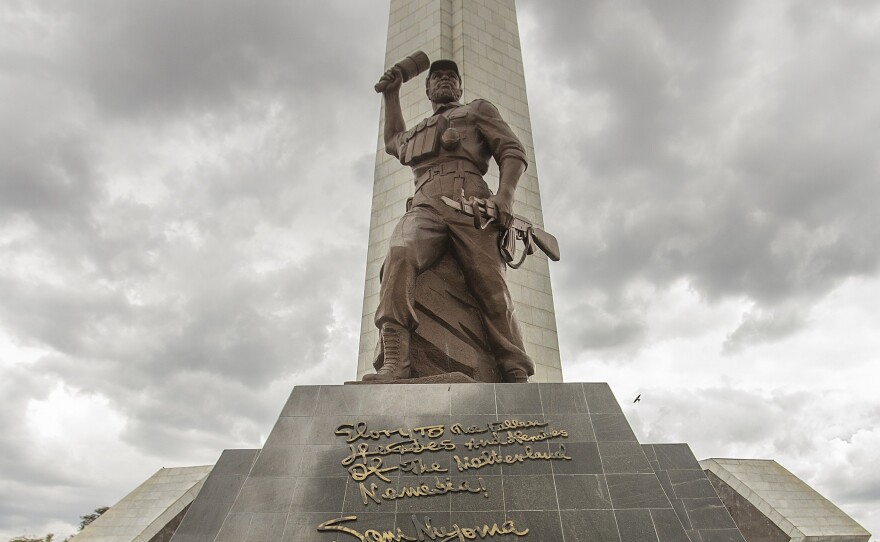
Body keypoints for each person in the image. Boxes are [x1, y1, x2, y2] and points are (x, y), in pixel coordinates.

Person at [364, 59, 534, 383]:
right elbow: (393, 141)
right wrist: (391, 93)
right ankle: (396, 361)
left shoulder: (477, 111)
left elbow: (512, 151)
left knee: (490, 285)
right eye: (436, 77)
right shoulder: (420, 130)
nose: (443, 80)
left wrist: (505, 197)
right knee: (399, 254)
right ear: (427, 89)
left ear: (460, 86)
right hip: (425, 203)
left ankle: (514, 369)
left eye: (450, 76)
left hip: (469, 201)